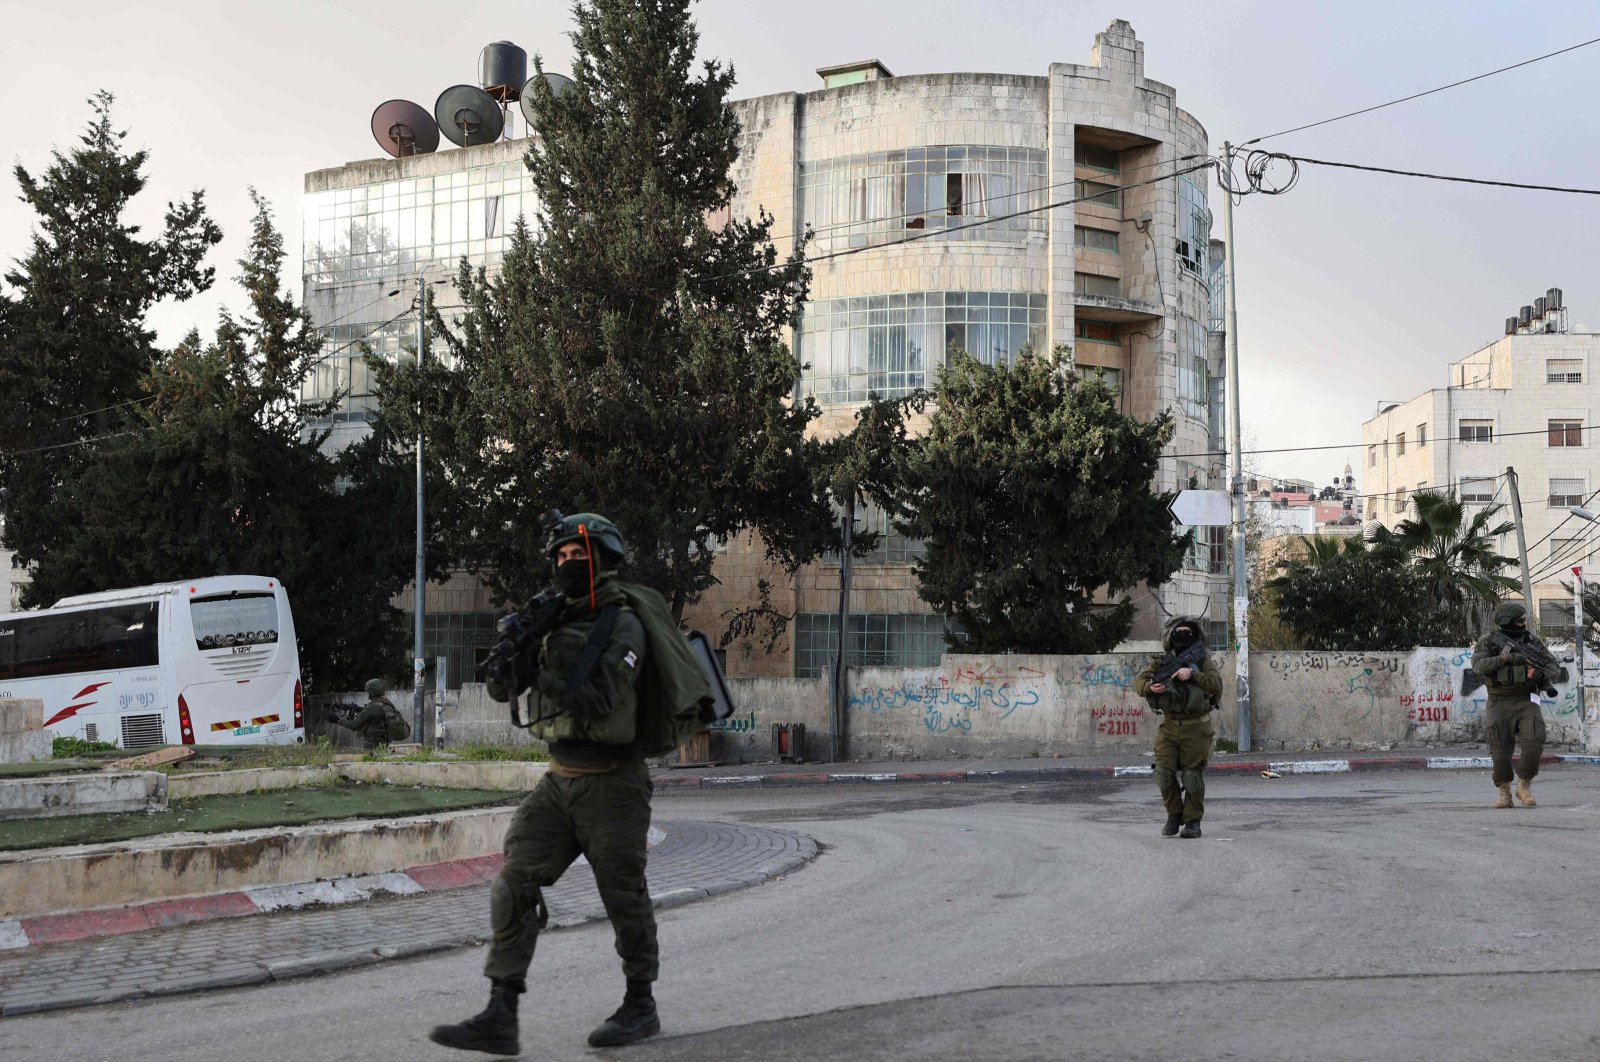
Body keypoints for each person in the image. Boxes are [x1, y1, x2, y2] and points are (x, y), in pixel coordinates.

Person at [430, 512, 659, 1055]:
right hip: (558, 780)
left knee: (624, 898)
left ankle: (640, 1004)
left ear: (601, 560)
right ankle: (500, 1012)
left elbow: (602, 698)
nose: (566, 565)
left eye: (576, 557)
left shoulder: (624, 624)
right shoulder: (549, 617)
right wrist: (508, 664)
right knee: (513, 882)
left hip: (614, 783)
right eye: (559, 558)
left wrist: (541, 675)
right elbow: (502, 689)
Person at [1134, 617, 1223, 839]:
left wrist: (1192, 674)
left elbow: (1216, 685)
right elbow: (1139, 681)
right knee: (1163, 773)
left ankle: (1192, 822)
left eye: (1186, 631)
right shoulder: (1162, 662)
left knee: (1192, 776)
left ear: (1194, 636)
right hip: (1170, 725)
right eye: (1178, 631)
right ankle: (1174, 815)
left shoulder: (1202, 660)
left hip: (1197, 727)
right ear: (1170, 638)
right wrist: (1150, 687)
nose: (1182, 634)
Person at [1471, 600, 1553, 809]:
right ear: (1506, 621)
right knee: (1500, 749)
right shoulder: (1489, 641)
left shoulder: (1532, 641)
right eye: (1519, 620)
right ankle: (1504, 793)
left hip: (1527, 699)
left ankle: (1524, 786)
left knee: (1535, 741)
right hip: (1499, 700)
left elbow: (1553, 666)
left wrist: (1538, 671)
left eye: (1524, 619)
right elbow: (1479, 665)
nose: (1524, 622)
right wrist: (1507, 659)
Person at [330, 679, 399, 749]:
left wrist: (338, 720)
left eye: (368, 692)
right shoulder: (387, 704)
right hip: (384, 743)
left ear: (372, 692)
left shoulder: (372, 707)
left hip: (372, 745)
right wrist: (352, 712)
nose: (368, 694)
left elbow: (354, 725)